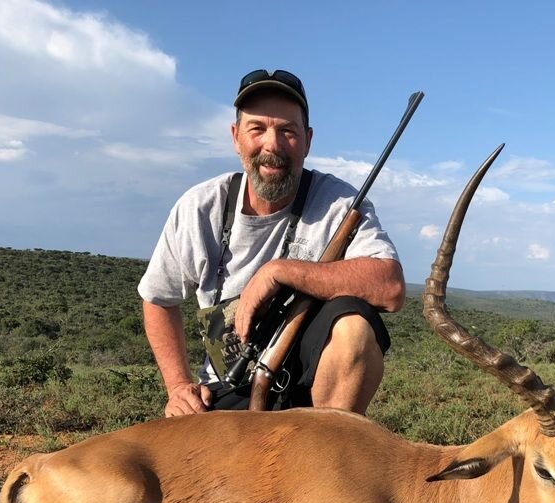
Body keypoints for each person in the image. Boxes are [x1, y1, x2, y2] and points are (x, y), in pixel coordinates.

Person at [139, 69, 405, 417]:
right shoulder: (200, 206)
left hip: (311, 396)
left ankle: (325, 460)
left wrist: (280, 272)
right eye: (257, 129)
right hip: (224, 388)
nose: (272, 145)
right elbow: (158, 299)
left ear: (308, 141)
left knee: (354, 327)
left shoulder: (341, 204)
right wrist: (177, 387)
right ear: (236, 137)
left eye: (287, 131)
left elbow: (390, 287)